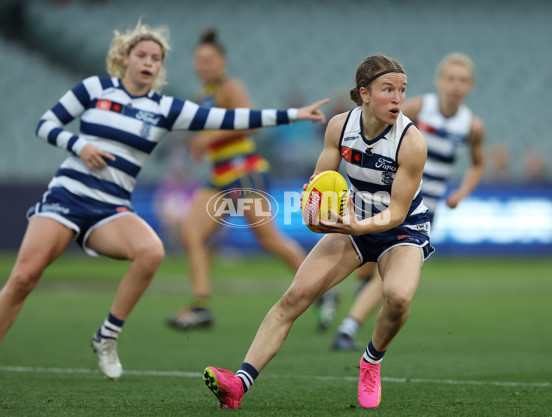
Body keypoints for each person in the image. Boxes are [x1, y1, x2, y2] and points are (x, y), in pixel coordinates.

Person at [0, 20, 328, 380]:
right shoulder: (94, 88)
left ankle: (107, 336)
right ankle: (203, 303)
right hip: (68, 195)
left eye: (156, 58)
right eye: (142, 54)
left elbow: (233, 118)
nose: (148, 62)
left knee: (152, 251)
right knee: (24, 277)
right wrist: (80, 144)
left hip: (112, 207)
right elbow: (46, 124)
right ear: (125, 57)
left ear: (160, 67)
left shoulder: (165, 108)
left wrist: (293, 114)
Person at [203, 54, 434, 409]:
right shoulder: (339, 127)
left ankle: (371, 361)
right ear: (365, 93)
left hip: (402, 229)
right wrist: (313, 208)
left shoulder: (411, 141)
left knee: (399, 297)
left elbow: (397, 212)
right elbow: (318, 183)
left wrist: (357, 224)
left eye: (402, 90)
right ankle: (238, 384)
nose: (398, 98)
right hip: (352, 223)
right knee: (293, 299)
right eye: (388, 89)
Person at [331, 52, 486, 351]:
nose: (456, 86)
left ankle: (348, 327)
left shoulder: (472, 126)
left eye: (463, 81)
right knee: (367, 270)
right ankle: (345, 313)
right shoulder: (417, 107)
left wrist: (462, 191)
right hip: (382, 201)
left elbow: (478, 165)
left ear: (470, 87)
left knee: (389, 279)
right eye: (451, 78)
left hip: (421, 211)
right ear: (440, 81)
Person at [165, 29, 311, 330]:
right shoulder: (203, 94)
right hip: (220, 176)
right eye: (198, 60)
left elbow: (251, 122)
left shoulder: (229, 86)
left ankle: (321, 289)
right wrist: (202, 142)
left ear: (222, 62)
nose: (202, 66)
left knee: (268, 239)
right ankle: (201, 307)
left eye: (209, 60)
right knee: (191, 233)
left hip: (244, 171)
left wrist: (207, 139)